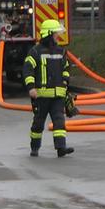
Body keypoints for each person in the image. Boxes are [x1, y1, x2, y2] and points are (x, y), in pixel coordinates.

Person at [22, 19, 75, 158]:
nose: (58, 36)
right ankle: (35, 147)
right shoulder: (35, 52)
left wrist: (65, 81)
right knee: (38, 123)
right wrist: (31, 88)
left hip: (58, 96)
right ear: (50, 34)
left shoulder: (61, 51)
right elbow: (28, 70)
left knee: (59, 121)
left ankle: (61, 148)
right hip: (41, 96)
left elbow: (66, 67)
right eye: (56, 33)